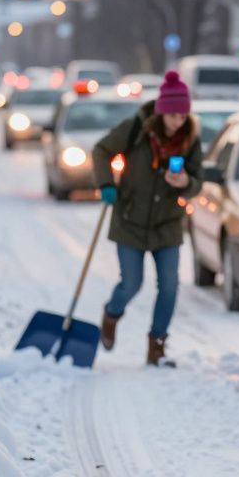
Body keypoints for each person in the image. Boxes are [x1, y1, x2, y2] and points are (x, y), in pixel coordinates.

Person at [92, 70, 203, 367]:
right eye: (174, 116)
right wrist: (106, 184)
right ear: (162, 112)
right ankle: (111, 315)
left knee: (169, 287)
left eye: (184, 116)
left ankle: (157, 346)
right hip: (130, 220)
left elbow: (198, 180)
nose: (179, 121)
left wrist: (186, 183)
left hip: (167, 224)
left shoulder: (190, 139)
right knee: (131, 284)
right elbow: (101, 150)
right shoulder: (136, 129)